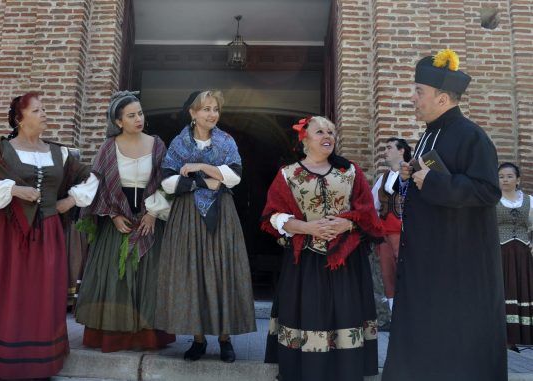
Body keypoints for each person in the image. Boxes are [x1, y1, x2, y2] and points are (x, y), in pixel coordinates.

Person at [383, 49, 506, 381]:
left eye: (418, 92)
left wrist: (432, 181)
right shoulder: (427, 134)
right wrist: (411, 173)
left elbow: (487, 190)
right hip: (426, 260)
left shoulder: (472, 136)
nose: (413, 98)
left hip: (458, 265)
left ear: (441, 97)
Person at [0, 92, 98, 379]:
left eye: (44, 109)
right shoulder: (2, 150)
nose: (44, 114)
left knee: (41, 294)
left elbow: (91, 177)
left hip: (46, 232)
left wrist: (70, 201)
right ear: (20, 119)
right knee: (1, 293)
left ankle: (39, 362)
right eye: (37, 110)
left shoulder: (60, 153)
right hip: (5, 234)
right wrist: (13, 189)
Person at [261, 115, 384, 381]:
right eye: (320, 132)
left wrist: (346, 225)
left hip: (346, 261)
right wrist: (308, 228)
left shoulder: (349, 171)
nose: (327, 135)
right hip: (305, 260)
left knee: (345, 314)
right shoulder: (288, 174)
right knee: (310, 314)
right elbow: (272, 217)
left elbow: (368, 214)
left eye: (331, 131)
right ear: (304, 138)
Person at [155, 90, 256, 363]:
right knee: (192, 271)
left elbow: (233, 177)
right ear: (193, 113)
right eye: (206, 109)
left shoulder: (226, 141)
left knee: (222, 269)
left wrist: (198, 165)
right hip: (187, 216)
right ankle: (198, 340)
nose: (212, 114)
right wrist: (206, 179)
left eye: (215, 109)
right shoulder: (179, 143)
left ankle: (225, 339)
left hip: (221, 214)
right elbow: (166, 181)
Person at [76, 91, 175, 352]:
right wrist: (113, 215)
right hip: (117, 221)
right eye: (131, 116)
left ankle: (146, 336)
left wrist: (154, 213)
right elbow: (97, 185)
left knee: (149, 278)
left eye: (140, 113)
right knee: (115, 279)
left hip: (149, 220)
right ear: (118, 121)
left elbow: (168, 182)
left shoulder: (157, 144)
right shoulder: (108, 147)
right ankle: (113, 335)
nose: (138, 119)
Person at [371, 137, 411, 317]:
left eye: (389, 147)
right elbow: (373, 205)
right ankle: (394, 315)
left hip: (406, 233)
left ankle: (410, 314)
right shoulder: (383, 178)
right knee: (388, 275)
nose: (385, 151)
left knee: (408, 273)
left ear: (401, 150)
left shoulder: (413, 172)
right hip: (385, 233)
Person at [496, 162, 533, 351]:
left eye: (509, 176)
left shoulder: (529, 201)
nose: (505, 180)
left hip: (523, 255)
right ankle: (506, 338)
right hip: (500, 254)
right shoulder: (492, 201)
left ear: (518, 180)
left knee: (523, 291)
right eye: (501, 176)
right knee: (504, 292)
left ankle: (525, 336)